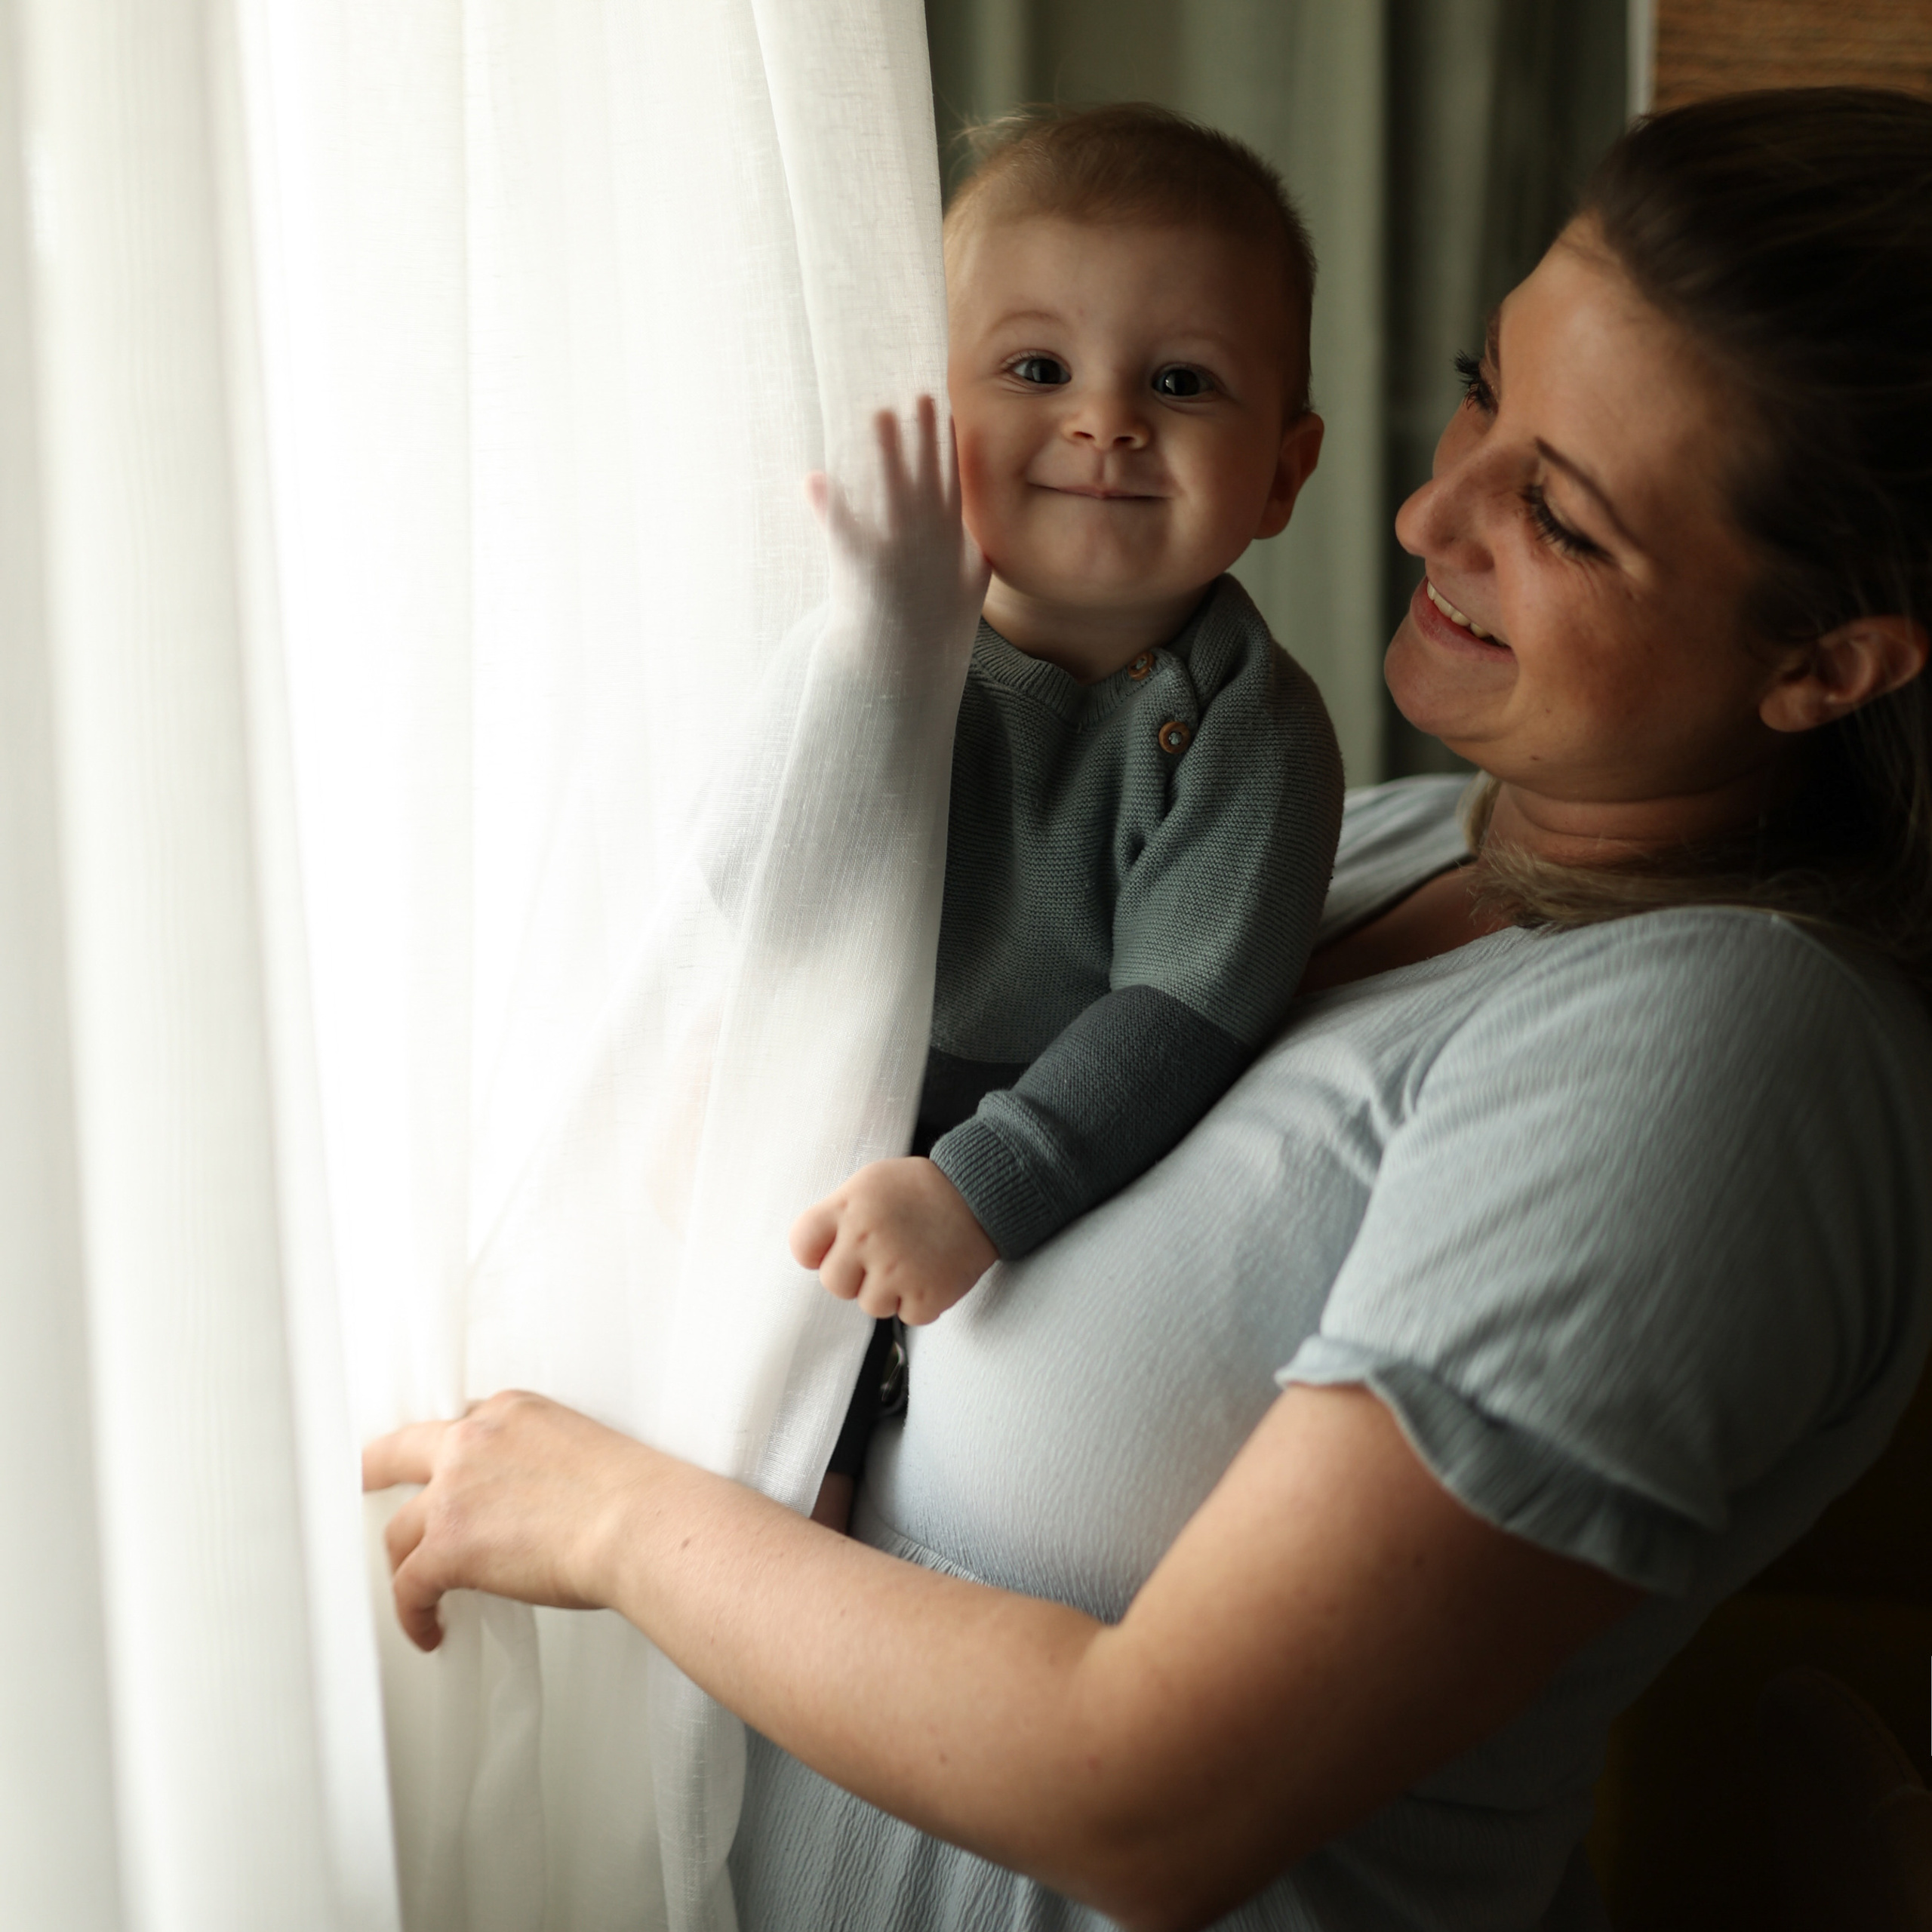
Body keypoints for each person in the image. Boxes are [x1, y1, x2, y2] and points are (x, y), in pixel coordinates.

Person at [365, 89, 1932, 1931]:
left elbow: (1151, 1791)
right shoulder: (1398, 839)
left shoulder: (1722, 1058)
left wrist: (611, 1519)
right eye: (1479, 388)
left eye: (1561, 519)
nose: (1429, 504)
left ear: (1822, 661)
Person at [793, 106, 1340, 1354]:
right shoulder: (874, 625)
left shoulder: (1251, 729)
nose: (1106, 422)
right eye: (1038, 370)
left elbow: (1177, 1016)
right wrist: (869, 657)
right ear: (934, 414)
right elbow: (747, 878)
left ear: (1282, 475)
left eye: (1181, 382)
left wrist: (977, 1189)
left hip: (1029, 1162)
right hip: (806, 1109)